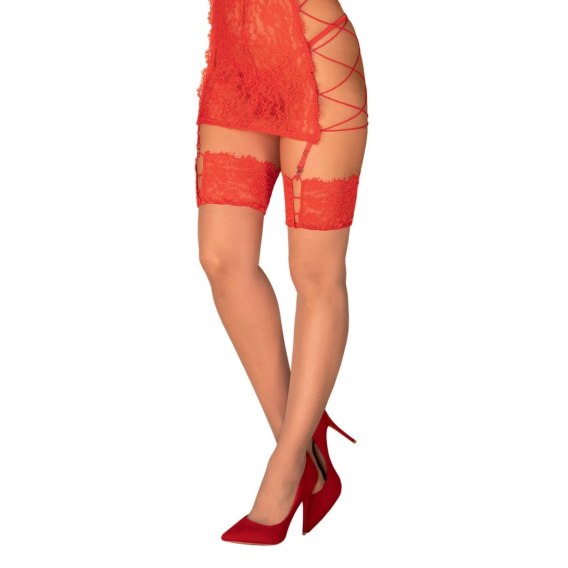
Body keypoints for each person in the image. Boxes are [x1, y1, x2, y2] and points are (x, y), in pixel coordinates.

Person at [194, 0, 368, 545]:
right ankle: (306, 449)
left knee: (314, 273)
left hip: (318, 61)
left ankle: (287, 466)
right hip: (235, 67)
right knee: (222, 259)